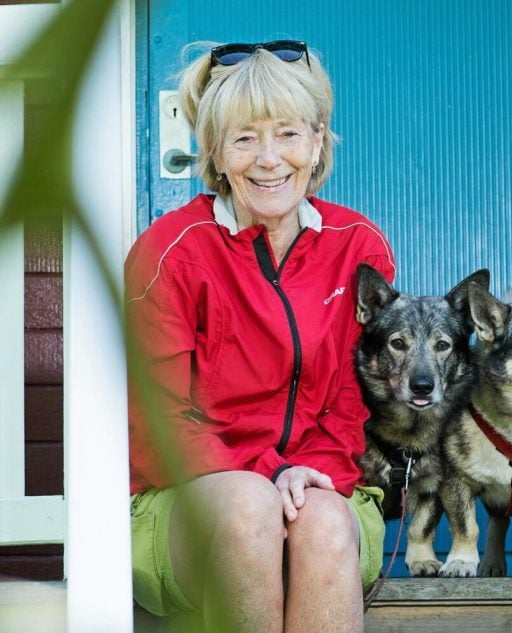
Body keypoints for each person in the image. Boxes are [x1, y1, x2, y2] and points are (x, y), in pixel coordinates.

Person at [125, 40, 394, 632]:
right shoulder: (172, 253)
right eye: (245, 138)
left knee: (322, 523)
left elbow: (354, 401)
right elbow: (156, 422)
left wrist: (306, 472)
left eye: (288, 134)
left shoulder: (359, 248)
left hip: (322, 486)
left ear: (318, 141)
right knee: (250, 510)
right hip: (185, 500)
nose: (269, 159)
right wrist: (268, 472)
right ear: (217, 153)